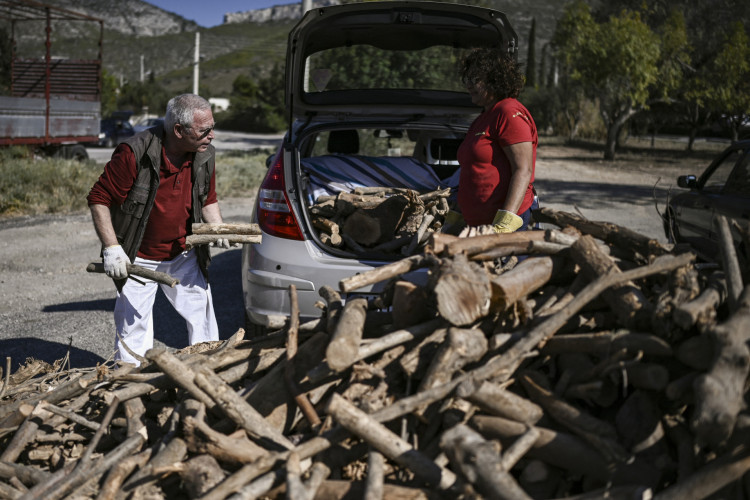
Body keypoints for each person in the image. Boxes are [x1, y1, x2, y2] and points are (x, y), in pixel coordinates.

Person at [87, 93, 232, 365]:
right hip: (140, 256)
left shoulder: (203, 154)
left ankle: (207, 370)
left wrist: (218, 228)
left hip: (183, 253)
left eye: (212, 127)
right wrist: (112, 248)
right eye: (205, 130)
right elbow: (99, 198)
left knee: (202, 316)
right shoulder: (134, 153)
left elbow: (207, 198)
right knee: (133, 328)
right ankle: (129, 384)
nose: (212, 136)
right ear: (178, 130)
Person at [454, 47, 537, 234]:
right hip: (479, 227)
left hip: (506, 228)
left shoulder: (508, 112)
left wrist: (505, 223)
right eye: (467, 79)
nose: (468, 85)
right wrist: (457, 215)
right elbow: (472, 172)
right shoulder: (482, 118)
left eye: (475, 79)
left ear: (495, 79)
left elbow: (523, 170)